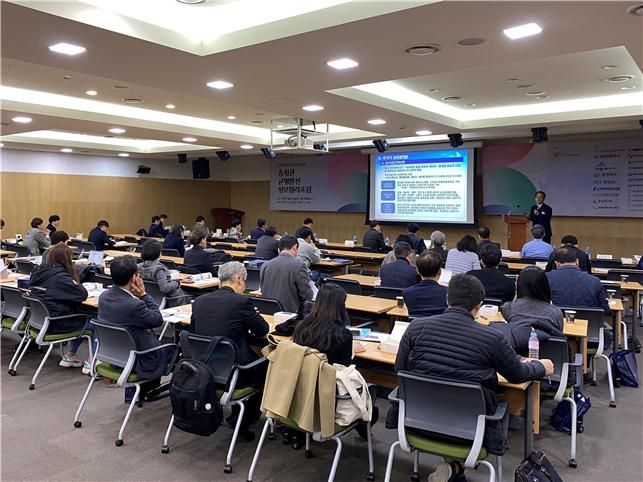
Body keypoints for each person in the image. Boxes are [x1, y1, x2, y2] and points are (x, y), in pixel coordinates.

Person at [393, 274, 553, 478]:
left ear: (447, 299)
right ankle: (453, 467)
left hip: (416, 425)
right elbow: (517, 374)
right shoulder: (492, 337)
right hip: (471, 432)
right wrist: (541, 367)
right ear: (479, 306)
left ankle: (452, 468)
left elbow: (400, 369)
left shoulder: (415, 327)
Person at [190, 261, 269, 441]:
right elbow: (263, 330)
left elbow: (194, 332)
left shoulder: (199, 301)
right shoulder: (241, 301)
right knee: (265, 366)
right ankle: (243, 419)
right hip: (234, 372)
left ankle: (239, 414)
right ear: (240, 279)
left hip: (204, 368)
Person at [98, 255, 173, 385]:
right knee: (175, 349)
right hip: (139, 358)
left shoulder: (103, 297)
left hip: (115, 354)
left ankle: (142, 393)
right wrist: (144, 295)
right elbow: (157, 320)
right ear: (134, 277)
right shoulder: (134, 305)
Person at [29, 243, 93, 373]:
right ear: (66, 260)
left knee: (82, 316)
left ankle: (70, 356)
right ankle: (93, 362)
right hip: (57, 324)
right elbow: (82, 294)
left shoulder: (38, 272)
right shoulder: (61, 277)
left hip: (40, 322)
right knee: (95, 322)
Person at [260, 235, 313, 315]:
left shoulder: (265, 265)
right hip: (289, 315)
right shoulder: (298, 266)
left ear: (278, 250)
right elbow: (307, 295)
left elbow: (262, 289)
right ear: (295, 248)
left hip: (267, 312)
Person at [546, 247, 610, 313]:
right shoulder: (595, 281)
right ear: (577, 261)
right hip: (589, 321)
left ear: (557, 263)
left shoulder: (546, 278)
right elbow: (606, 310)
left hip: (556, 321)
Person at [138, 240, 189, 308]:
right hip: (171, 300)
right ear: (158, 253)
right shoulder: (159, 270)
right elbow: (164, 288)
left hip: (150, 298)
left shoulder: (138, 267)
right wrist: (177, 282)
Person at [402, 251, 447, 317]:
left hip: (416, 326)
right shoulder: (448, 293)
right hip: (439, 327)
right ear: (440, 271)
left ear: (417, 271)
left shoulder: (407, 292)